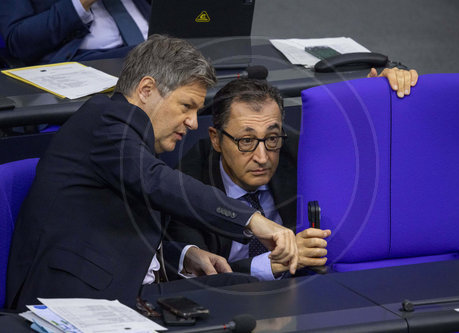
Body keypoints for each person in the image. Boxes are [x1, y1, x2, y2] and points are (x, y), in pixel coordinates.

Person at [6, 35, 298, 310]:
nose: (193, 122)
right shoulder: (104, 123)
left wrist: (183, 256)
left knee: (243, 288)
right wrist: (250, 219)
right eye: (186, 106)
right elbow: (157, 182)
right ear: (146, 90)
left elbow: (124, 238)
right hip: (74, 300)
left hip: (125, 287)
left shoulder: (135, 139)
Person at [167, 69, 418, 280]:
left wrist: (379, 97)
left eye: (272, 138)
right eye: (246, 141)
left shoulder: (297, 153)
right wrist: (272, 264)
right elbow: (200, 277)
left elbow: (358, 150)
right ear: (216, 139)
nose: (263, 157)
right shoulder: (186, 183)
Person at [0, 0, 150, 65]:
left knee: (162, 53)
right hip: (84, 60)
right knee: (157, 57)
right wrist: (81, 3)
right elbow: (18, 42)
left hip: (154, 44)